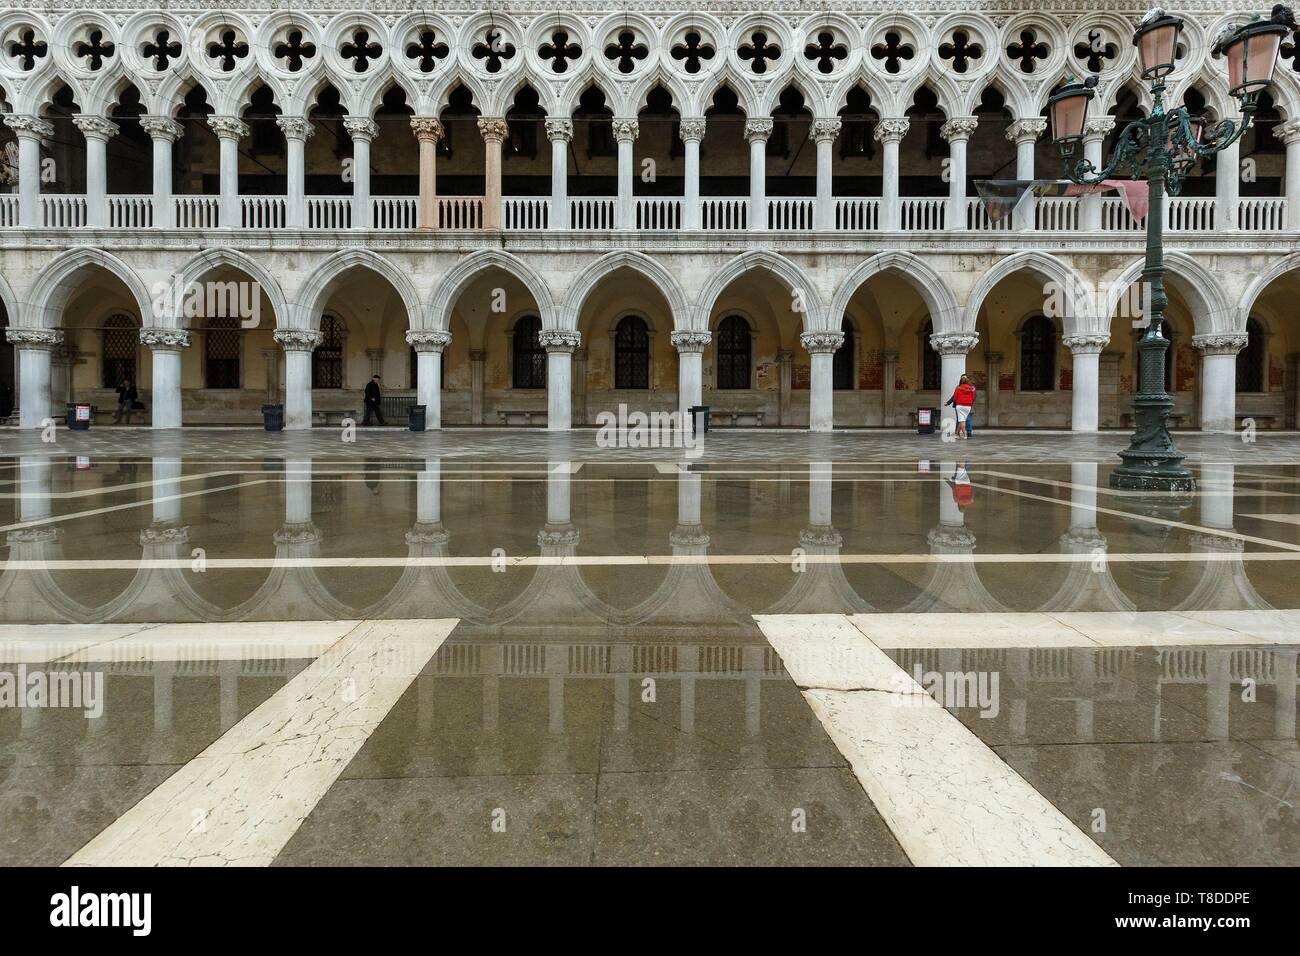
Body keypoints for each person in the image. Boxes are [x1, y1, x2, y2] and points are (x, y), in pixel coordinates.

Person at [944, 374, 976, 440]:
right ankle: (958, 433)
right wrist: (969, 402)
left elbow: (954, 398)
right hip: (968, 406)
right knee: (963, 420)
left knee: (962, 420)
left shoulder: (958, 388)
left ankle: (966, 434)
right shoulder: (972, 388)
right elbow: (973, 397)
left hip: (960, 405)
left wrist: (949, 403)